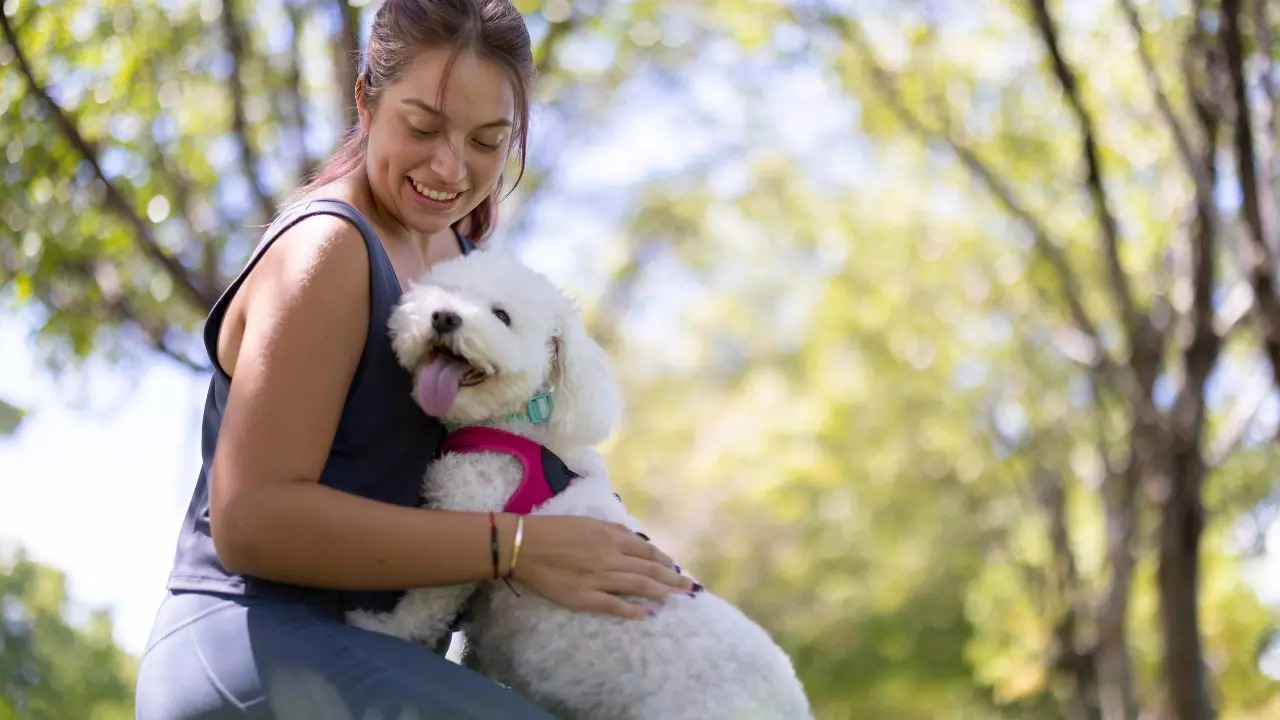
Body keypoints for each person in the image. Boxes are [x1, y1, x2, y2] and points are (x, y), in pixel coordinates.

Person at [133, 1, 694, 717]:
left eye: (489, 140)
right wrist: (518, 545)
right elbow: (250, 520)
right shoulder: (328, 251)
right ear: (366, 97)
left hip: (383, 660)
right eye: (423, 126)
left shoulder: (461, 268)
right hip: (256, 647)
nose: (450, 167)